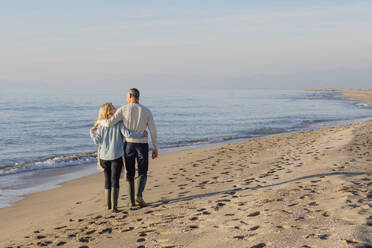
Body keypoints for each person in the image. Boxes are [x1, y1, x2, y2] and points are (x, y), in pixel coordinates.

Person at [95, 88, 158, 207]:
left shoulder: (123, 109)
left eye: (126, 96)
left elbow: (109, 123)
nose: (125, 98)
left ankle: (131, 202)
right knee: (142, 171)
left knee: (130, 172)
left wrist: (98, 122)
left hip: (129, 145)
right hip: (142, 144)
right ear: (138, 97)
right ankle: (138, 195)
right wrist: (155, 147)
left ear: (130, 95)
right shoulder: (146, 111)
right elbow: (153, 130)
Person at [90, 102, 146, 212]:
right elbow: (128, 134)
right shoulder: (119, 123)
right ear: (109, 111)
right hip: (116, 156)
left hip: (104, 157)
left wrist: (92, 131)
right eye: (112, 107)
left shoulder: (100, 125)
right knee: (115, 180)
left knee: (107, 180)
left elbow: (97, 141)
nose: (115, 108)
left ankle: (108, 206)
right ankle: (114, 207)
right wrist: (141, 134)